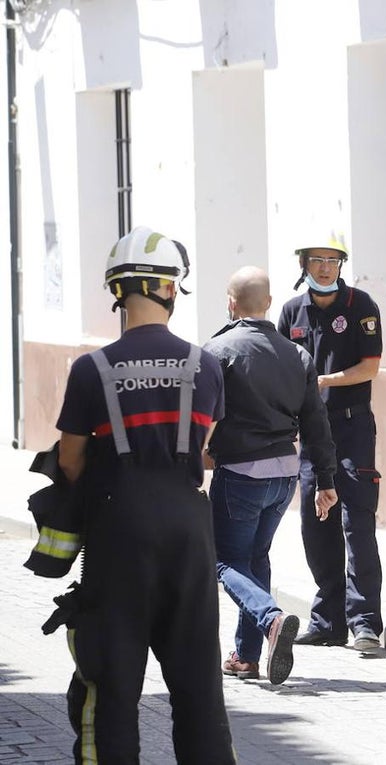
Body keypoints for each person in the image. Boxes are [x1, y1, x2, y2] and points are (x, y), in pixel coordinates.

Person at [53, 227, 235, 762]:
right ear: (170, 289)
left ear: (119, 293)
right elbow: (204, 445)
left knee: (114, 688)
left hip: (118, 531)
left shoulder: (90, 369)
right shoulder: (206, 364)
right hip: (187, 527)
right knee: (199, 687)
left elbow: (69, 459)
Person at [204, 266, 340, 685]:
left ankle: (271, 618)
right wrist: (327, 481)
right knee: (255, 558)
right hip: (284, 475)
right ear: (268, 304)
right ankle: (245, 657)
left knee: (224, 561)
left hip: (240, 473)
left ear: (230, 302)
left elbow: (200, 417)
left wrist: (190, 460)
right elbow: (317, 423)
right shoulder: (297, 354)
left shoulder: (215, 350)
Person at [278, 237, 384, 652]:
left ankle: (365, 623)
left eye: (333, 260)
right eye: (317, 260)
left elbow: (370, 367)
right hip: (311, 434)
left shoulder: (362, 305)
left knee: (357, 523)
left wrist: (326, 381)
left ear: (341, 264)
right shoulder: (291, 312)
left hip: (352, 426)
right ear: (303, 264)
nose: (325, 267)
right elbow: (283, 369)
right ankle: (327, 621)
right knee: (315, 524)